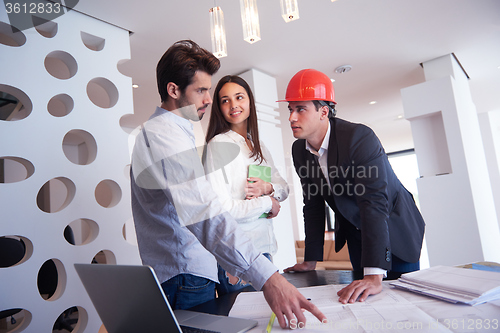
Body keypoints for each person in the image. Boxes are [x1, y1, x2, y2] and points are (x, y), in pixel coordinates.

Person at [130, 41, 325, 328]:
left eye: (209, 91)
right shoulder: (166, 136)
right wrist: (268, 278)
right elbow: (206, 211)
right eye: (201, 91)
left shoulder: (175, 133)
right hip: (187, 274)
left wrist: (270, 192)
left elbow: (278, 186)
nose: (208, 99)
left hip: (195, 270)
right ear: (174, 90)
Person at [281, 69, 425, 304]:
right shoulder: (299, 150)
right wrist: (311, 259)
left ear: (323, 111)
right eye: (290, 109)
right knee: (364, 302)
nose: (291, 118)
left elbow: (374, 203)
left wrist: (374, 274)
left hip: (395, 227)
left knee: (407, 305)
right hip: (356, 234)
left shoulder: (359, 138)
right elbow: (313, 204)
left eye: (300, 109)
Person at [204, 75, 289, 294]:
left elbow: (284, 187)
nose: (233, 105)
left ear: (249, 101)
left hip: (265, 251)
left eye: (239, 97)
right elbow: (222, 210)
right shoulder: (219, 145)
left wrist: (268, 188)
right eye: (225, 100)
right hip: (238, 257)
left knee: (267, 325)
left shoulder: (258, 145)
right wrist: (267, 203)